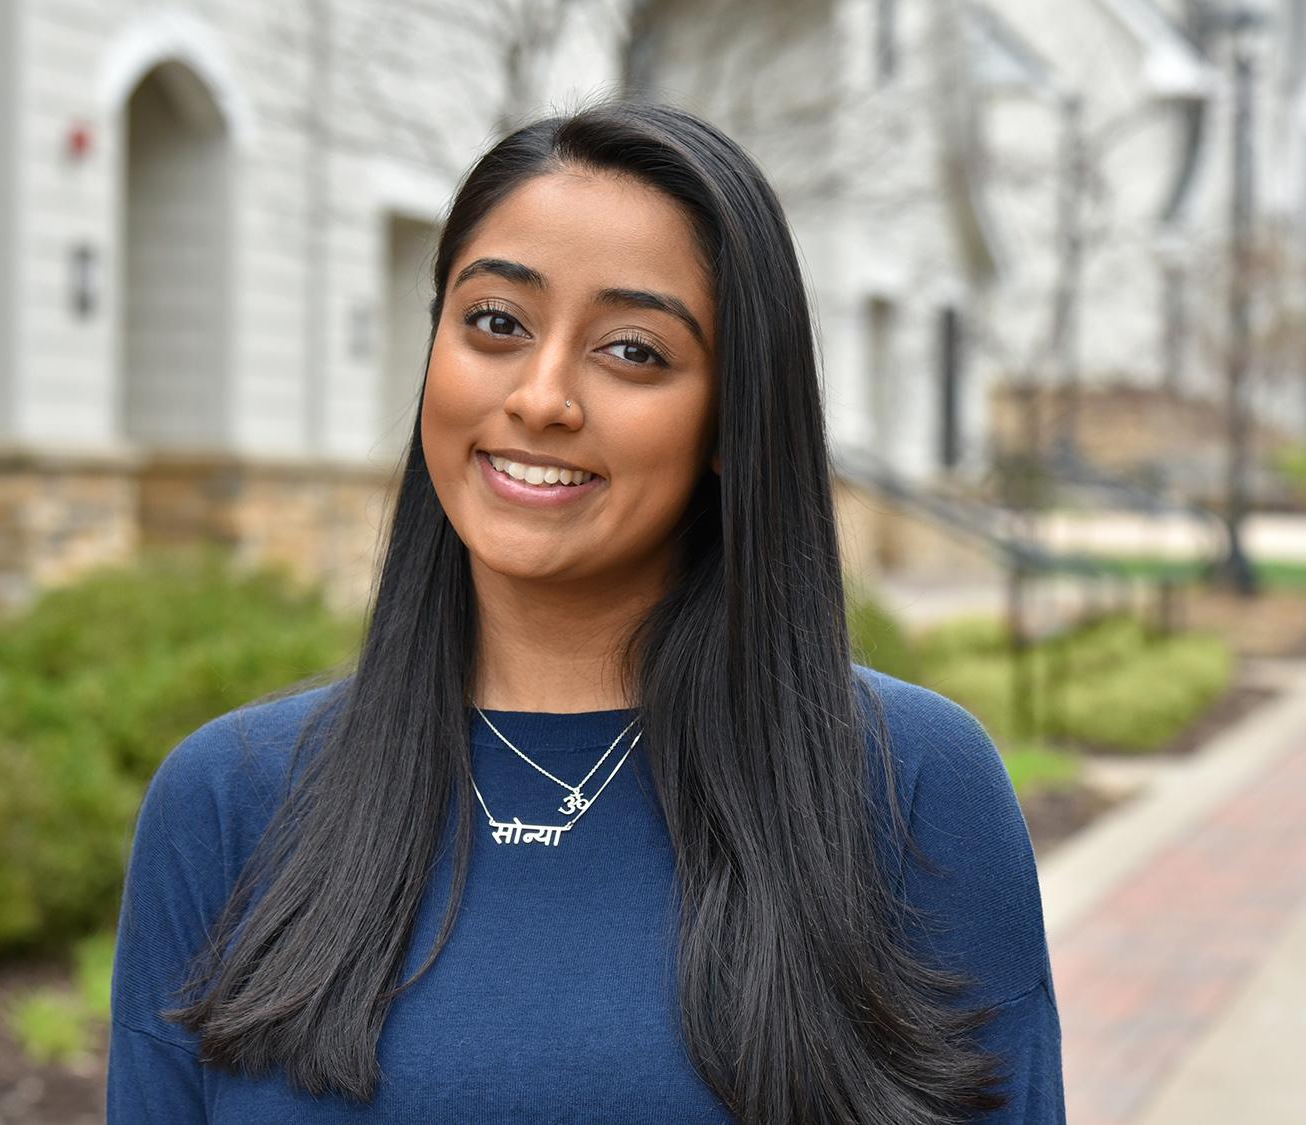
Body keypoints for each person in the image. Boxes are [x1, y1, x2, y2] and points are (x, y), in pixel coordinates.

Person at [106, 99, 1064, 1124]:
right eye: (496, 324)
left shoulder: (909, 787)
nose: (542, 396)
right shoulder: (227, 803)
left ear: (735, 421)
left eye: (634, 351)